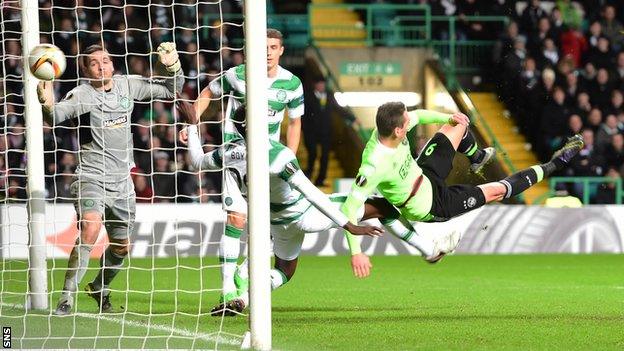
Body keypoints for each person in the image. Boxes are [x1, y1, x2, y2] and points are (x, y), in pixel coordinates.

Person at [177, 103, 460, 315]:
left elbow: (196, 161)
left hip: (275, 220)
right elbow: (313, 194)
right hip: (304, 214)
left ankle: (245, 299)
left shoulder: (228, 152)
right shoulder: (279, 155)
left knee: (286, 270)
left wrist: (191, 127)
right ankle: (430, 251)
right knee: (383, 207)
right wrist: (349, 226)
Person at [37, 42, 184, 315]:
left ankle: (99, 286)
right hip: (91, 177)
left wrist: (173, 65)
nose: (101, 65)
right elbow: (56, 115)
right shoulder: (81, 94)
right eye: (94, 63)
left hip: (122, 182)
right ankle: (66, 297)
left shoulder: (127, 85)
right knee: (91, 229)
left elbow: (171, 89)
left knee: (122, 247)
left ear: (113, 64)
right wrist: (45, 99)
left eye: (105, 60)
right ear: (86, 70)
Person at [340, 102, 584, 260]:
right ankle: (556, 163)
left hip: (424, 174)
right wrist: (356, 253)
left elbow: (419, 116)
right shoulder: (374, 164)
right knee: (496, 191)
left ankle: (476, 157)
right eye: (407, 122)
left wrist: (447, 117)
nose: (410, 120)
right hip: (430, 205)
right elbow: (349, 209)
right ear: (398, 132)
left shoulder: (389, 126)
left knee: (458, 124)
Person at [189, 28, 304, 311]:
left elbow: (295, 123)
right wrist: (190, 124)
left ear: (281, 50)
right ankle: (227, 290)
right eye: (262, 46)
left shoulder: (292, 84)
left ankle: (243, 275)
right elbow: (207, 93)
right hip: (235, 156)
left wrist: (289, 158)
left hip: (268, 163)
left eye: (273, 47)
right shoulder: (236, 75)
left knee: (263, 229)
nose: (267, 51)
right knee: (236, 220)